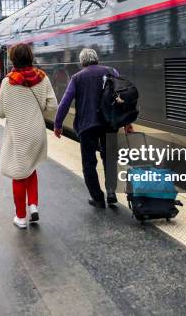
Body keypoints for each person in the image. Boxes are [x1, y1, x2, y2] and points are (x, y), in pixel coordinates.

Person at [54, 48, 132, 208]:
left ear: (82, 62)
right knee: (109, 158)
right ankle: (111, 192)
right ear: (96, 59)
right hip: (110, 123)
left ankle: (97, 197)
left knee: (89, 163)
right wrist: (127, 122)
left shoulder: (77, 77)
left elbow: (64, 103)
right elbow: (122, 98)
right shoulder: (112, 71)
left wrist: (58, 124)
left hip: (87, 125)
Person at [0, 43, 57, 229]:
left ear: (13, 59)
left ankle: (21, 217)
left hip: (18, 134)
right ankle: (33, 205)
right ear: (31, 57)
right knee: (31, 168)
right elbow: (53, 106)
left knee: (18, 173)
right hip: (36, 132)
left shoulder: (8, 82)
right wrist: (38, 112)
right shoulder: (42, 78)